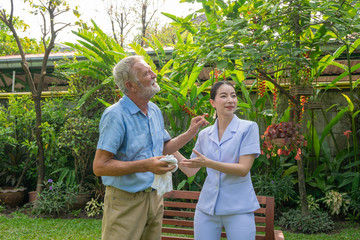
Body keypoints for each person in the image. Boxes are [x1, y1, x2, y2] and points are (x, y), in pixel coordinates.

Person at [93, 55, 208, 240]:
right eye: (146, 73)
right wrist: (146, 165)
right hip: (125, 201)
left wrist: (190, 133)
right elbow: (100, 166)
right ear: (131, 85)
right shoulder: (115, 115)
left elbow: (163, 149)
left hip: (155, 197)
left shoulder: (153, 110)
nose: (154, 74)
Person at [181, 81, 261, 240]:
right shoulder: (205, 134)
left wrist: (208, 163)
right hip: (207, 209)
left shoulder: (248, 128)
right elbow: (190, 170)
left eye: (233, 96)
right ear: (213, 102)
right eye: (223, 96)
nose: (230, 100)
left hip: (239, 208)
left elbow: (243, 169)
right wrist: (168, 146)